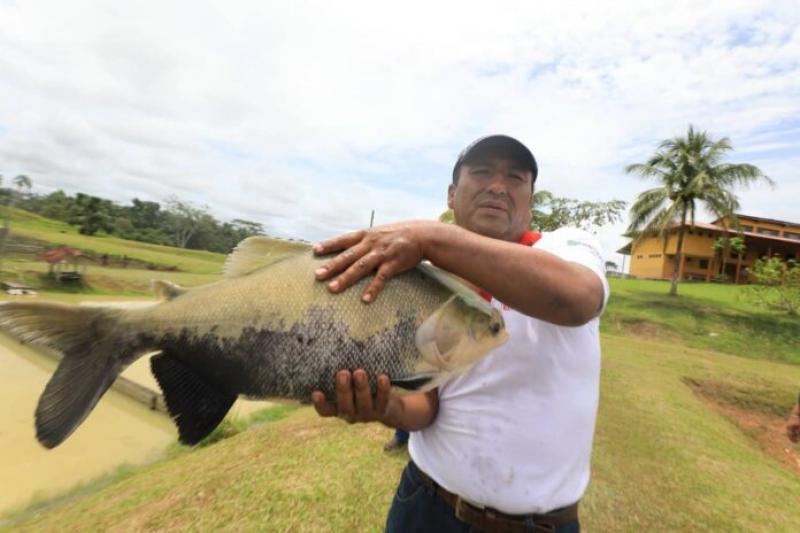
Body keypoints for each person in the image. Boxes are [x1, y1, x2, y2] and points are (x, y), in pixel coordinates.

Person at [311, 135, 608, 532]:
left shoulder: (567, 247)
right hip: (427, 505)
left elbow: (578, 299)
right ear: (452, 195)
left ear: (530, 200)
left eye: (515, 178)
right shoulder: (422, 281)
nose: (498, 186)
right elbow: (427, 404)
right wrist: (384, 407)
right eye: (482, 172)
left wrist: (428, 235)